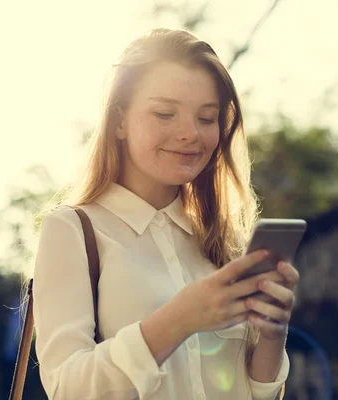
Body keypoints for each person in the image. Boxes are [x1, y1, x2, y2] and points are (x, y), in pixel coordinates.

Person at [33, 28, 300, 400]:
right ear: (120, 120)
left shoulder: (221, 239)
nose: (190, 134)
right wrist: (178, 319)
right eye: (164, 113)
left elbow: (258, 394)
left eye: (206, 118)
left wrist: (273, 333)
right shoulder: (73, 230)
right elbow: (67, 388)